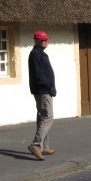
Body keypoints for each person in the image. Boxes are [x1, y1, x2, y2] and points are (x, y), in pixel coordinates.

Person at [27, 30, 57, 160]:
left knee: (42, 117)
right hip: (42, 91)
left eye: (46, 39)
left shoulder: (40, 53)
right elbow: (39, 76)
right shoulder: (35, 54)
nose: (46, 41)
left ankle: (44, 147)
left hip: (43, 90)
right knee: (48, 117)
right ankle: (36, 145)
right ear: (37, 41)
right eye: (43, 40)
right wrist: (49, 87)